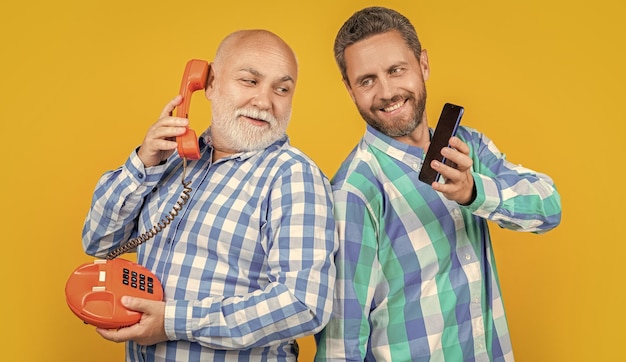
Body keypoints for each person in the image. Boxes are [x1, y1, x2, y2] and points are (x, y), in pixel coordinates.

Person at [314, 7, 561, 362]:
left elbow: (549, 206)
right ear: (350, 90)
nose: (386, 92)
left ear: (423, 65)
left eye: (396, 70)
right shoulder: (355, 191)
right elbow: (341, 344)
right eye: (367, 80)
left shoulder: (466, 146)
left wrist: (474, 193)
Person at [82, 29, 338, 361]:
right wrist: (143, 163)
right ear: (209, 83)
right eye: (249, 81)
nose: (264, 101)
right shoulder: (171, 162)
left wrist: (173, 322)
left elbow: (303, 304)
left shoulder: (292, 177)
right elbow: (100, 242)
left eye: (281, 89)